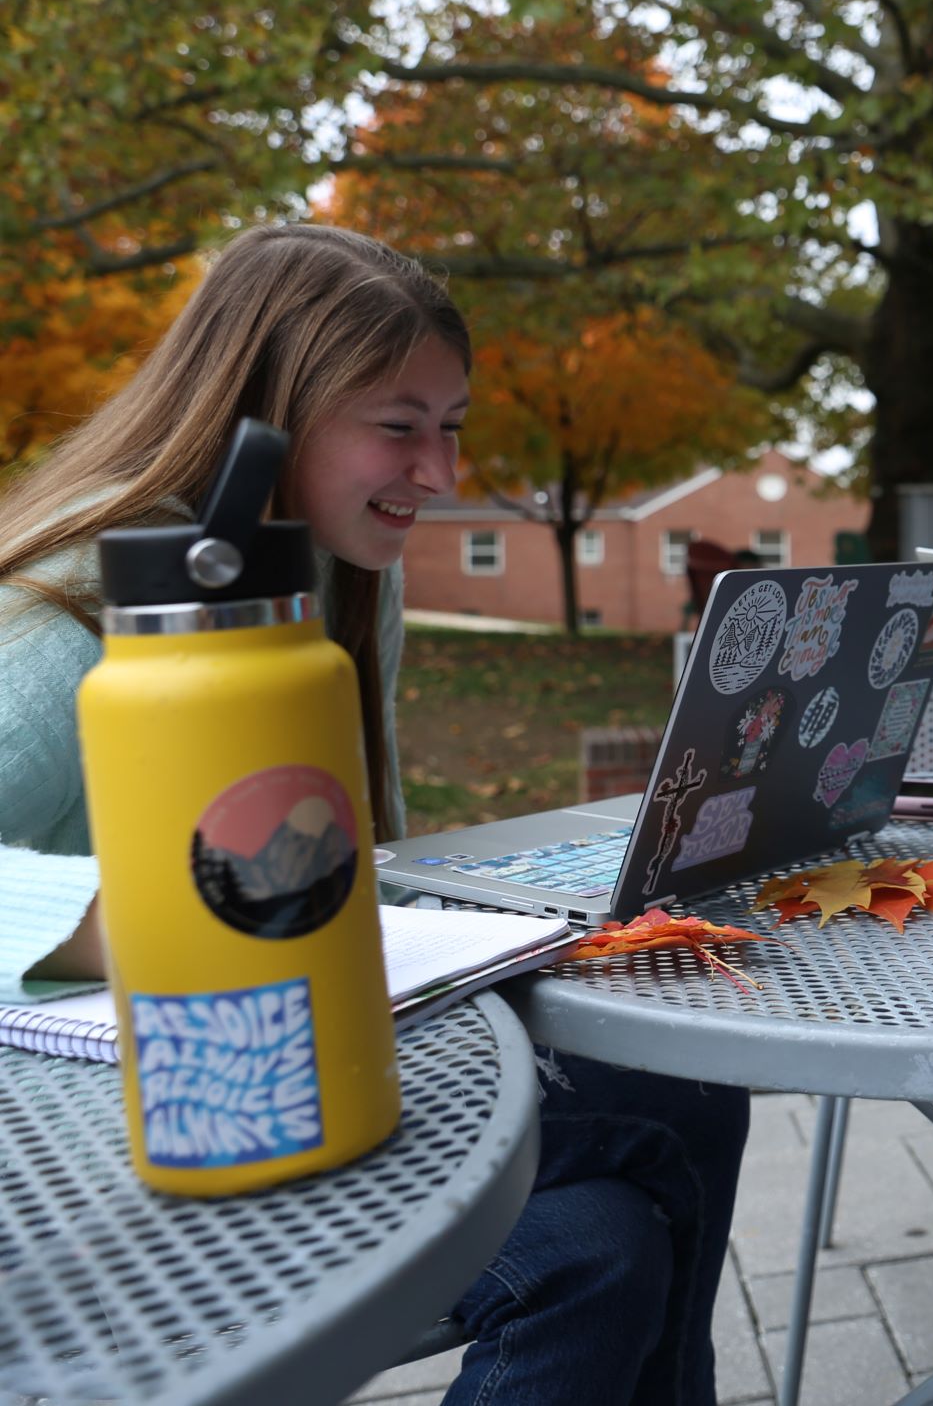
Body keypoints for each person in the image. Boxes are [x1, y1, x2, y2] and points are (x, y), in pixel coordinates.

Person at [0, 224, 751, 1406]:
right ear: (266, 413)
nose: (443, 474)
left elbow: (340, 854)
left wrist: (534, 912)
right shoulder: (77, 612)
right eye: (399, 426)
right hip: (101, 1129)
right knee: (665, 1116)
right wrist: (134, 925)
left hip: (311, 1047)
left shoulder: (348, 571)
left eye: (451, 426)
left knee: (610, 1228)